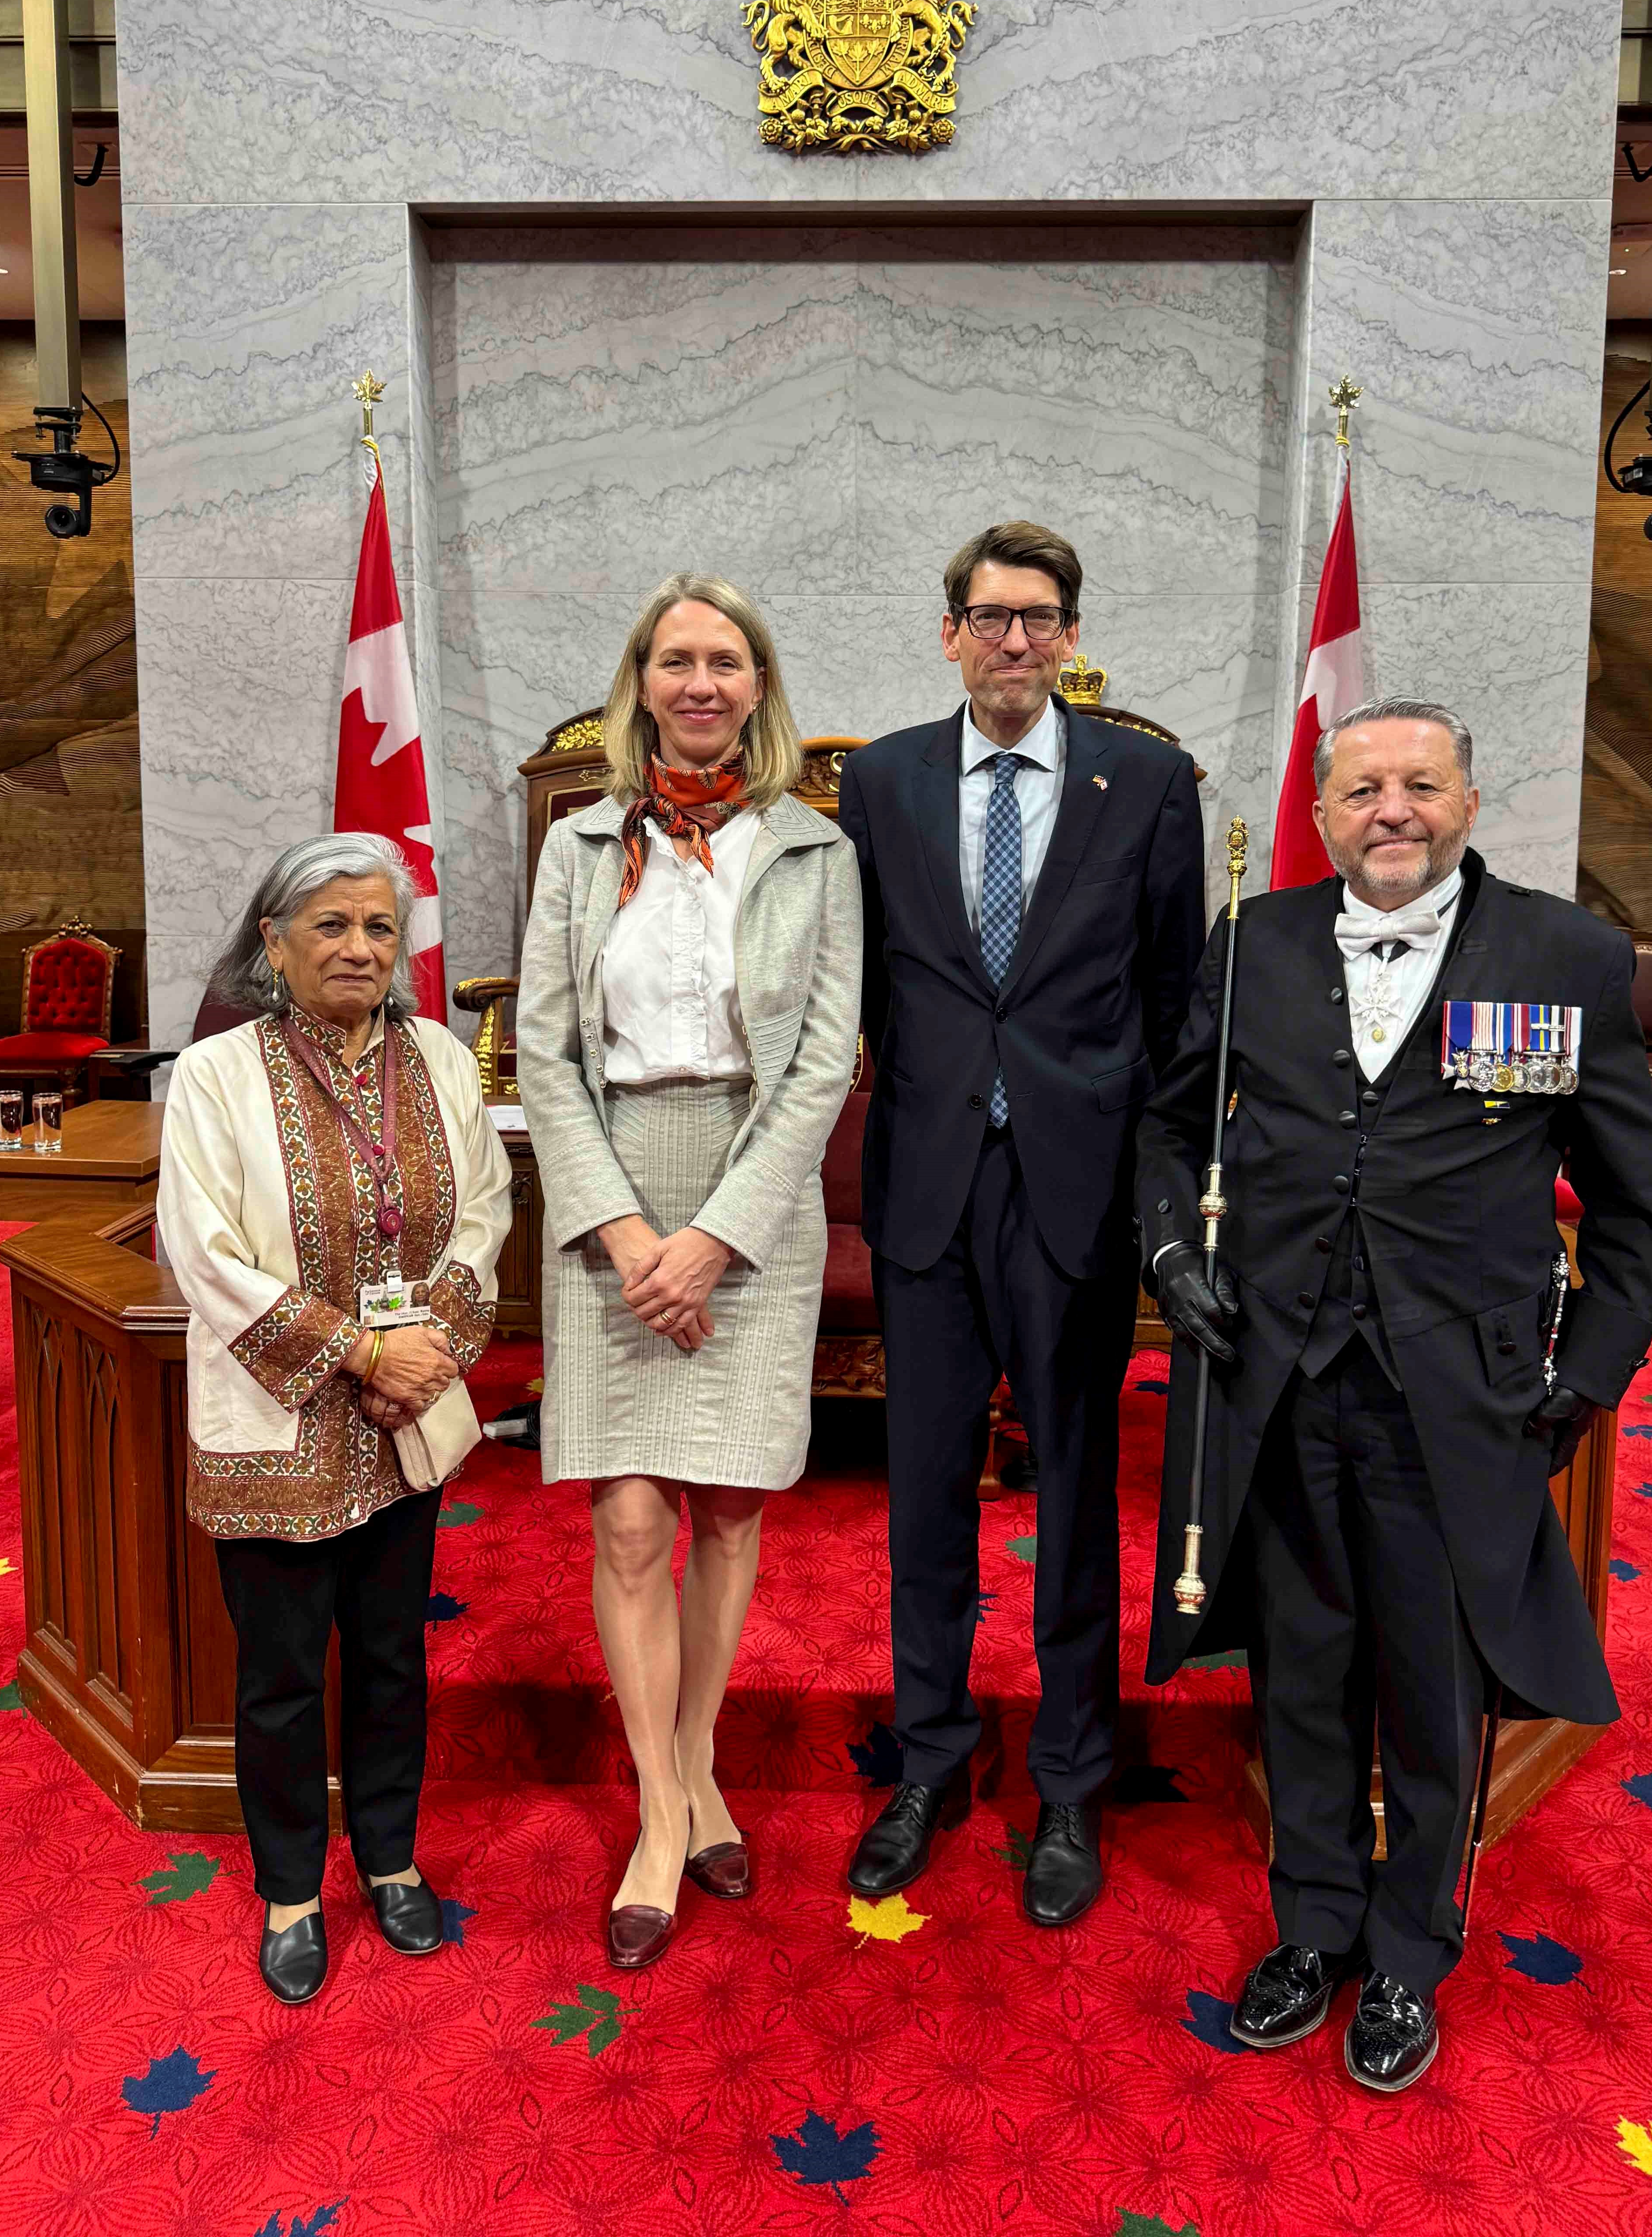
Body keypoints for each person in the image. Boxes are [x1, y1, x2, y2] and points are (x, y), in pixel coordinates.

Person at [1140, 698, 1652, 2092]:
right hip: (1279, 1375)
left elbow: (1632, 1213)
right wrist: (1167, 1254)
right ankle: (1311, 1927)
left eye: (1420, 784)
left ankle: (1404, 1953)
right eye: (1363, 787)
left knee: (1433, 1690)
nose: (1392, 809)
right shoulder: (1253, 942)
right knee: (1304, 1667)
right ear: (1321, 814)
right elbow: (1168, 1125)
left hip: (1466, 1393)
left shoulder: (1564, 956)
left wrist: (1585, 1378)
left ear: (1466, 801)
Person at [837, 520, 1206, 1927]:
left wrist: (1143, 1166)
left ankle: (1069, 1779)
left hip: (1077, 1186)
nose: (1012, 641)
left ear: (1070, 636)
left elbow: (1173, 997)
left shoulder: (1146, 779)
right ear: (949, 632)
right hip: (930, 1181)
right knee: (921, 1499)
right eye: (989, 617)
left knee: (1070, 1501)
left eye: (1038, 619)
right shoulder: (882, 779)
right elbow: (867, 981)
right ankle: (928, 1763)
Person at [515, 573, 862, 1973]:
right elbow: (541, 1051)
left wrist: (719, 1234)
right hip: (613, 1184)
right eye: (676, 661)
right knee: (627, 1523)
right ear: (640, 681)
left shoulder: (814, 853)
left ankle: (698, 1761)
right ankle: (665, 1811)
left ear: (757, 688)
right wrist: (619, 1231)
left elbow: (827, 1057)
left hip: (753, 1188)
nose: (700, 683)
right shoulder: (578, 847)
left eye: (725, 661)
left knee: (723, 1512)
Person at [157, 832, 512, 2006]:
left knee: (389, 1659)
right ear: (274, 943)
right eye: (331, 926)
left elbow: (486, 1211)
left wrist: (423, 1359)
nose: (360, 949)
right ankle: (292, 1891)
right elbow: (200, 1255)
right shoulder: (215, 1076)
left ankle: (394, 1859)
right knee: (279, 1678)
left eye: (378, 928)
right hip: (277, 1419)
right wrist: (357, 1349)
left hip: (404, 1424)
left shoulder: (444, 1063)